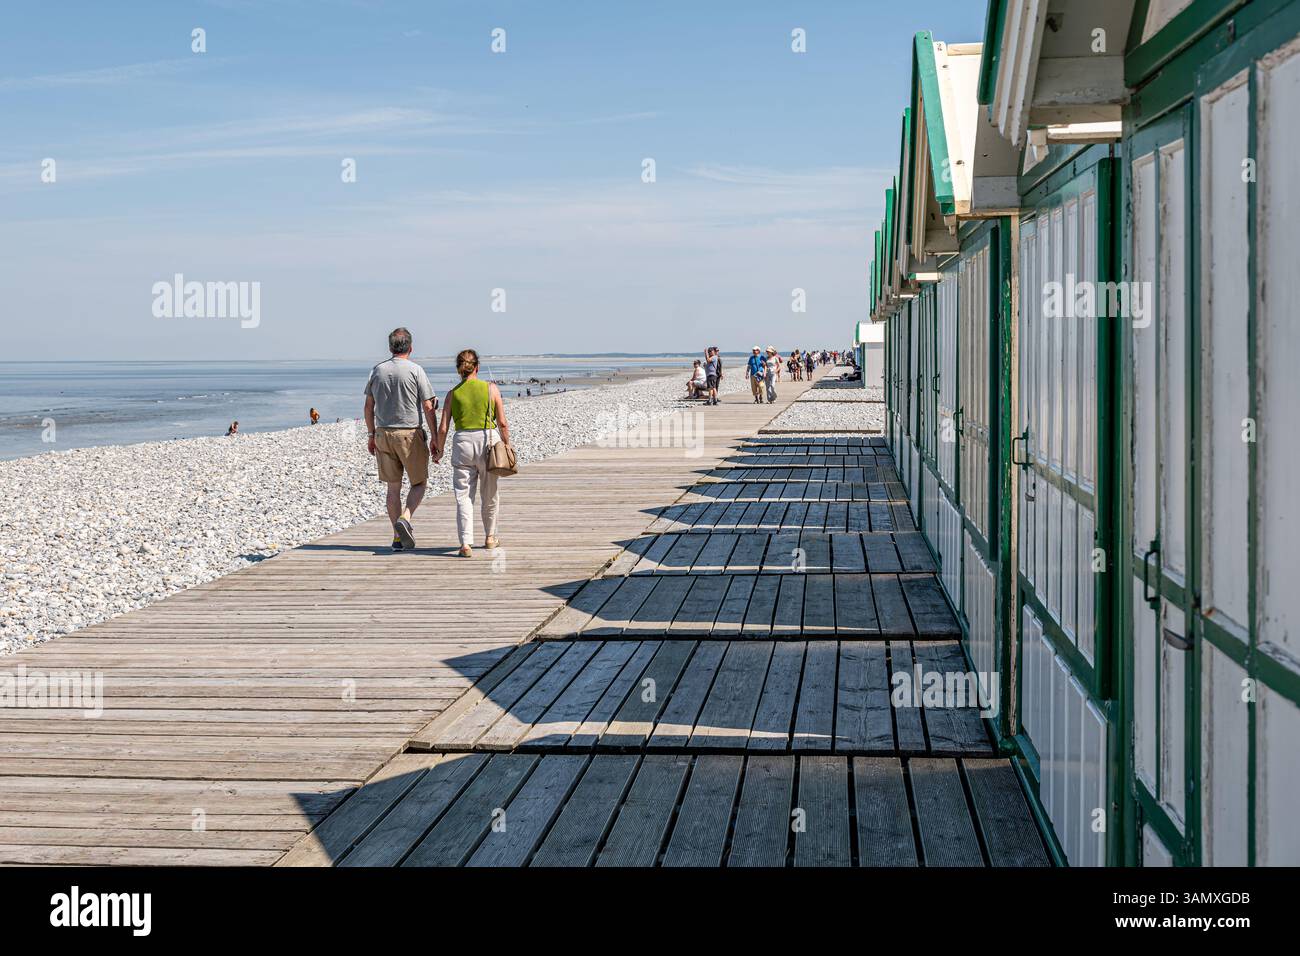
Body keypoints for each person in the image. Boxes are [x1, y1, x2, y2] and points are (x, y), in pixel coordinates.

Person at [364, 327, 437, 552]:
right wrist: (435, 437)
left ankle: (397, 538)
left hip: (383, 433)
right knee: (419, 482)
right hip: (410, 433)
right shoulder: (416, 370)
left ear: (390, 348)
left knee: (392, 488)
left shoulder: (378, 371)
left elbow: (369, 406)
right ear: (411, 347)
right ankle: (405, 517)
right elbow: (428, 405)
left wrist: (370, 434)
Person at [433, 349, 510, 558]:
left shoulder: (452, 394)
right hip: (487, 441)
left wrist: (438, 450)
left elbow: (443, 428)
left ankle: (465, 543)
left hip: (463, 443)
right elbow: (502, 422)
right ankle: (490, 537)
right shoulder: (490, 389)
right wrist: (507, 443)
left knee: (463, 495)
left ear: (459, 370)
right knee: (490, 493)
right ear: (477, 367)